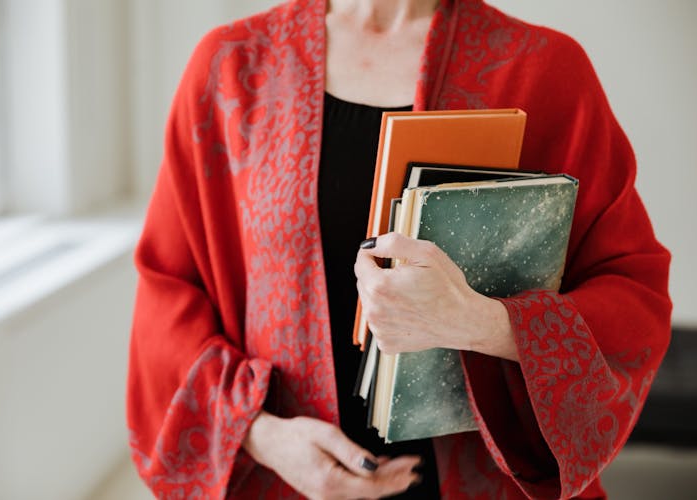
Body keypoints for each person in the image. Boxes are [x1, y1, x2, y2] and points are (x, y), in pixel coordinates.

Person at [126, 0, 672, 498]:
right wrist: (260, 435)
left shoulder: (542, 70)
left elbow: (631, 292)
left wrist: (481, 322)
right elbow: (168, 289)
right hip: (285, 480)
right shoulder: (231, 67)